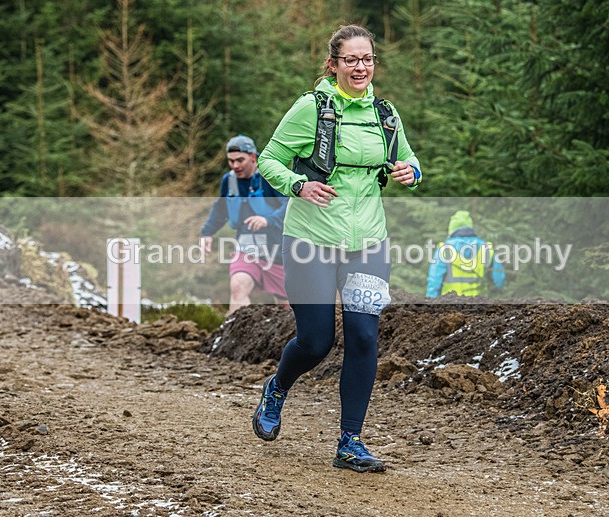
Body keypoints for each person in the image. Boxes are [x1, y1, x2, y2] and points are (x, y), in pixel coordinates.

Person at [252, 24, 422, 473]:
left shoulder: (385, 112)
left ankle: (351, 442)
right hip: (310, 239)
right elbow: (268, 159)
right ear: (334, 64)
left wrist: (412, 172)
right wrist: (298, 184)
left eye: (367, 59)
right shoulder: (312, 108)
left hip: (368, 241)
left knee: (365, 336)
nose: (360, 67)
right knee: (316, 340)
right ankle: (277, 387)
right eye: (351, 60)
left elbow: (409, 157)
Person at [200, 135, 289, 314]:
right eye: (231, 161)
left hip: (279, 251)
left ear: (253, 157)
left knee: (285, 306)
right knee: (238, 286)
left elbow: (291, 204)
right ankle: (232, 338)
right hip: (247, 248)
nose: (235, 166)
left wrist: (268, 220)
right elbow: (221, 208)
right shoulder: (229, 180)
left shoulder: (270, 177)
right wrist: (207, 232)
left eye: (240, 160)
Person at [426, 210, 505, 298]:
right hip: (479, 306)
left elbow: (434, 280)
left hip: (450, 305)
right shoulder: (486, 248)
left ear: (451, 230)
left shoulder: (444, 249)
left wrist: (430, 303)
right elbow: (499, 279)